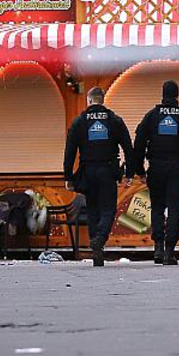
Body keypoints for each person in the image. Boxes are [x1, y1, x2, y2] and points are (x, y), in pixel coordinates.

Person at [132, 80, 179, 265]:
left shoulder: (152, 116)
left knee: (157, 207)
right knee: (174, 209)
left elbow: (139, 144)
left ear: (163, 94)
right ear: (177, 95)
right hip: (178, 167)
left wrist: (140, 170)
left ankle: (157, 248)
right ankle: (169, 252)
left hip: (156, 167)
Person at [63, 86, 135, 267]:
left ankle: (97, 250)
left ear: (89, 100)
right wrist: (129, 173)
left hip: (87, 171)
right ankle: (100, 239)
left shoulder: (79, 122)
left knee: (93, 210)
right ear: (102, 100)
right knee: (108, 208)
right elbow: (128, 147)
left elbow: (70, 151)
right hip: (108, 170)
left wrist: (68, 177)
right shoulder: (114, 120)